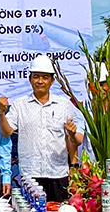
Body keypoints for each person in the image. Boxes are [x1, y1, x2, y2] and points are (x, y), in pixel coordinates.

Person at [13, 54, 84, 202]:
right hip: (30, 175)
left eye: (45, 77)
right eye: (36, 76)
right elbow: (7, 131)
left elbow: (73, 140)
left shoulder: (64, 104)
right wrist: (1, 113)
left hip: (58, 173)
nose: (40, 81)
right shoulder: (19, 105)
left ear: (52, 81)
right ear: (30, 79)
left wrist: (73, 166)